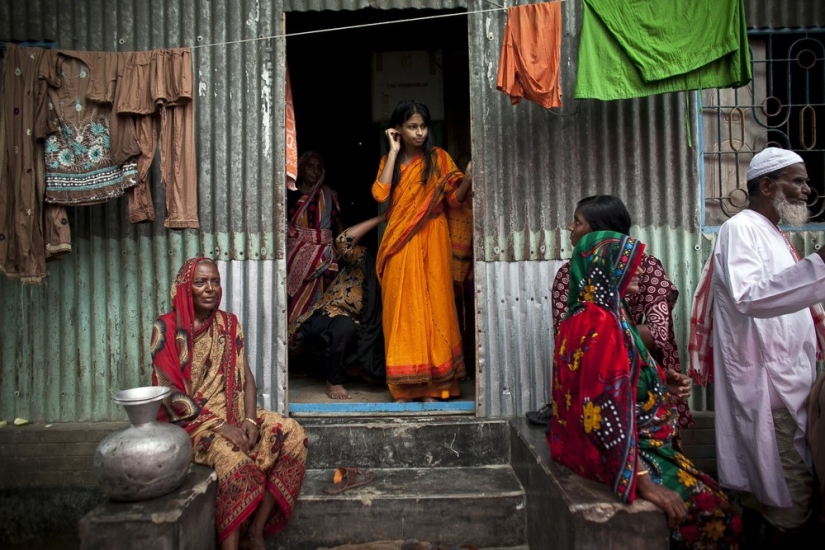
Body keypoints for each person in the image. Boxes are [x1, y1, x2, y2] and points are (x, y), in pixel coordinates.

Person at [549, 231, 742, 549]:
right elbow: (603, 405)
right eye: (629, 262)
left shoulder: (593, 314)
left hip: (632, 445)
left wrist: (660, 378)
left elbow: (610, 373)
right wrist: (643, 481)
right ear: (605, 268)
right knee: (718, 515)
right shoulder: (600, 324)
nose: (639, 268)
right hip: (630, 452)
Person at [688, 147, 825, 545]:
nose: (806, 190)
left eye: (805, 181)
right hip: (770, 388)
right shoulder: (742, 228)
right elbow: (750, 297)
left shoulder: (777, 235)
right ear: (766, 185)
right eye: (797, 181)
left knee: (780, 492)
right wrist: (820, 267)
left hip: (791, 380)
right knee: (791, 500)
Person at [151, 257, 308, 550]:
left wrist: (249, 420)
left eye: (215, 281)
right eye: (201, 282)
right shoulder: (166, 327)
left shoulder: (228, 323)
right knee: (236, 463)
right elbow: (168, 392)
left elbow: (247, 379)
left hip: (234, 414)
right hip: (193, 424)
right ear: (186, 287)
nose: (210, 289)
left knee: (293, 434)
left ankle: (256, 532)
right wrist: (221, 426)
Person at [528, 195, 694, 439]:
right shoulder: (569, 275)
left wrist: (601, 335)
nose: (570, 228)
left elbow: (658, 334)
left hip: (644, 386)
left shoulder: (647, 268)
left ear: (600, 232)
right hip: (595, 390)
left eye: (578, 222)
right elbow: (570, 342)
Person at [371, 99, 473, 403]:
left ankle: (436, 386)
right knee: (402, 310)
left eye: (423, 126)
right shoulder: (390, 161)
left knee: (434, 309)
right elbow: (379, 193)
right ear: (398, 129)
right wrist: (391, 152)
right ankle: (405, 387)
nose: (419, 132)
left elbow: (454, 201)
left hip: (433, 236)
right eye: (412, 126)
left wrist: (467, 179)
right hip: (400, 242)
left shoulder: (439, 158)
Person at [289, 214, 387, 400]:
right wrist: (382, 218)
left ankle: (355, 368)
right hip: (326, 321)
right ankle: (334, 381)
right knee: (345, 325)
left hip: (360, 330)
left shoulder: (402, 272)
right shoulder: (366, 259)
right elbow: (343, 241)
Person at [287, 151, 344, 332]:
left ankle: (316, 339)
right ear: (301, 169)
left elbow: (337, 225)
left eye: (318, 167)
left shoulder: (329, 195)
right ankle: (294, 336)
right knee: (295, 298)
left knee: (321, 299)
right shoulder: (289, 195)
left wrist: (343, 248)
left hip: (325, 257)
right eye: (310, 166)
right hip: (296, 256)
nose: (315, 171)